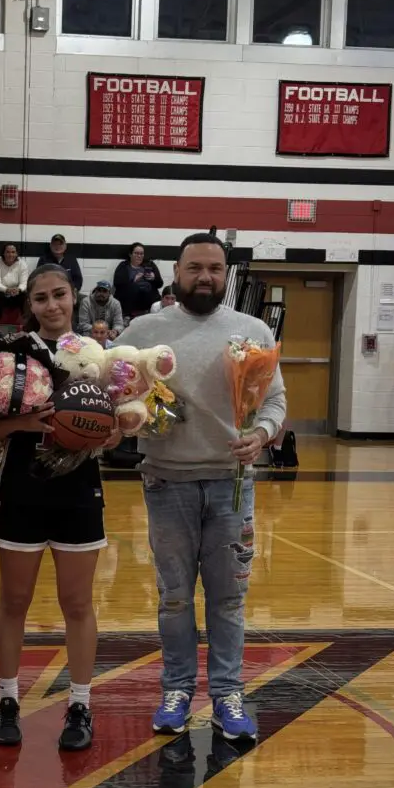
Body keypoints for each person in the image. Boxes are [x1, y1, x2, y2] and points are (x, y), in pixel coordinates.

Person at [114, 233, 286, 742]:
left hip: (233, 486)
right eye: (195, 267)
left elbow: (275, 402)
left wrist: (260, 434)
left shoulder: (251, 330)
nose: (205, 276)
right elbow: (116, 391)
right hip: (167, 483)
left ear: (226, 273)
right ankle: (177, 690)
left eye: (214, 268)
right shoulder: (145, 329)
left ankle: (229, 693)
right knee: (173, 598)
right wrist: (134, 417)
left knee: (229, 600)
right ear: (176, 271)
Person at [0, 264, 121, 753]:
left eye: (59, 295)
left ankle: (80, 703)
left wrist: (115, 429)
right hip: (22, 486)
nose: (51, 305)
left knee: (78, 603)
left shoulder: (99, 357)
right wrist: (20, 421)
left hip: (79, 490)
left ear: (74, 297)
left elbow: (120, 423)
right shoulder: (9, 352)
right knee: (15, 601)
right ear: (29, 305)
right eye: (40, 298)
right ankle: (7, 700)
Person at [113, 242, 162, 319]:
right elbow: (117, 284)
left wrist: (154, 278)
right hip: (130, 299)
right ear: (130, 254)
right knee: (134, 288)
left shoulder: (150, 264)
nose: (139, 256)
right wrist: (133, 280)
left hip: (148, 298)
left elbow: (160, 284)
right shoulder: (124, 266)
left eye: (141, 254)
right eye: (136, 253)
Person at [0, 244, 29, 330]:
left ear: (17, 254)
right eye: (8, 252)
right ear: (3, 253)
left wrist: (19, 289)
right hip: (0, 293)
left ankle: (26, 327)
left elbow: (24, 283)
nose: (10, 255)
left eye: (13, 252)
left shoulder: (22, 264)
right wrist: (7, 290)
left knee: (26, 297)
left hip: (15, 293)